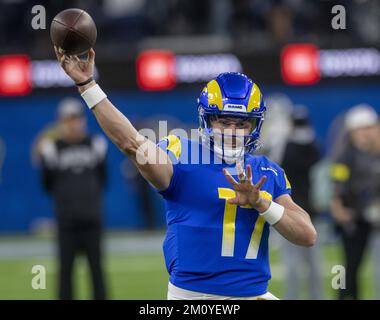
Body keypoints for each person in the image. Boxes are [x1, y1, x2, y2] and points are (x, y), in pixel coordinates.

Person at [54, 47, 316, 300]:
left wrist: (262, 202)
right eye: (224, 121)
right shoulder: (182, 153)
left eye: (242, 123)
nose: (233, 130)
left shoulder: (266, 171)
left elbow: (307, 235)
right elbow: (132, 143)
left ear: (255, 125)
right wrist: (88, 85)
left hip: (254, 293)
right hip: (196, 296)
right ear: (207, 120)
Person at [39, 98, 108, 300]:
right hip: (66, 222)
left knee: (96, 270)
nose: (73, 124)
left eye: (76, 119)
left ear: (83, 120)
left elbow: (102, 180)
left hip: (92, 220)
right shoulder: (52, 149)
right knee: (65, 272)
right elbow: (47, 184)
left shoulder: (96, 145)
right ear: (60, 121)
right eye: (68, 119)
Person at [330, 104, 380, 300]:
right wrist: (338, 207)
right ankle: (341, 296)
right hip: (352, 219)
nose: (365, 133)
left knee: (359, 267)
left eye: (369, 128)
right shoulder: (345, 156)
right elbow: (338, 186)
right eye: (362, 128)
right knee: (347, 266)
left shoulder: (375, 154)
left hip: (371, 219)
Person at [279, 107, 323, 300]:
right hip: (309, 210)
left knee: (293, 263)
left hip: (290, 211)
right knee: (312, 263)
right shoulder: (314, 146)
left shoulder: (288, 147)